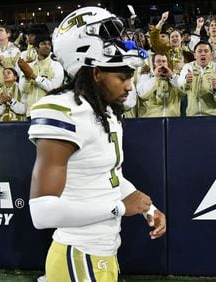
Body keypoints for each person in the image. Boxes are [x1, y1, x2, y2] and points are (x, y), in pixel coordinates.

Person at [28, 7, 166, 281]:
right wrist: (121, 208)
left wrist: (146, 207)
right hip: (78, 254)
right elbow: (41, 213)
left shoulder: (105, 113)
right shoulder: (64, 110)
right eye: (122, 78)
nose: (129, 87)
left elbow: (108, 175)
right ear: (95, 73)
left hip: (103, 252)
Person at [17, 33, 64, 118]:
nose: (47, 46)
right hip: (31, 113)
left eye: (49, 44)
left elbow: (54, 88)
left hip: (49, 113)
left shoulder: (56, 66)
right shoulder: (29, 66)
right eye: (43, 44)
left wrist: (34, 76)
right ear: (36, 48)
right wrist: (27, 78)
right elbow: (23, 90)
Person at [177, 41, 216, 116]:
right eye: (199, 51)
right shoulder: (188, 67)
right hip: (193, 116)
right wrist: (186, 81)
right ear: (195, 55)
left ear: (211, 54)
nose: (203, 53)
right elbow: (180, 85)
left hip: (214, 116)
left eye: (206, 51)